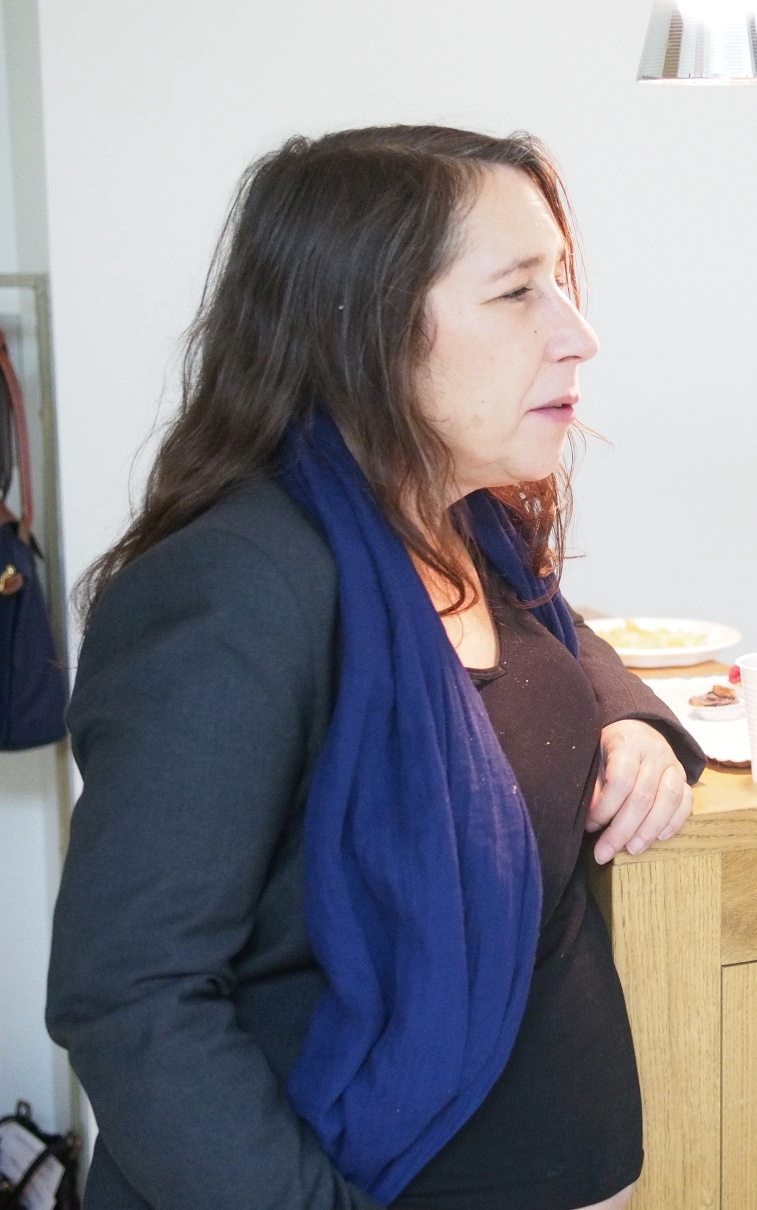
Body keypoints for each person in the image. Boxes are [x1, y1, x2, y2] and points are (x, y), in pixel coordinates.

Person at [47, 126, 706, 1210]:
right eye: (517, 292)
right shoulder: (235, 587)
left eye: (562, 282)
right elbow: (132, 996)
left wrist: (629, 714)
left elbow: (548, 650)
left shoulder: (467, 528)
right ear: (367, 327)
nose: (577, 334)